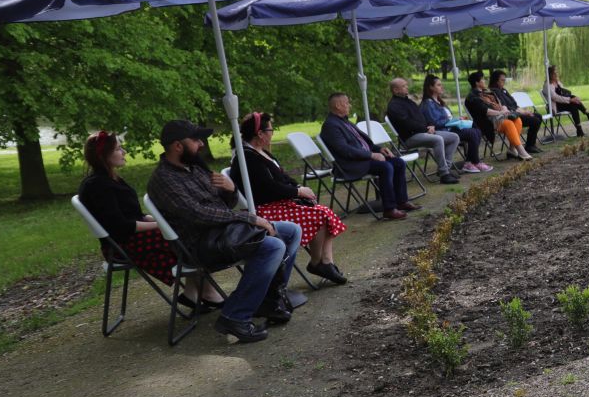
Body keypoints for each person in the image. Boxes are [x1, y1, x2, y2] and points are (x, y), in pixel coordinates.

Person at [147, 119, 302, 343]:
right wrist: (249, 218)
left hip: (222, 233)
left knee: (291, 231)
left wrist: (231, 190)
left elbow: (221, 207)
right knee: (272, 246)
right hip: (200, 245)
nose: (201, 144)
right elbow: (199, 214)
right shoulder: (164, 180)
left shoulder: (194, 168)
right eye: (196, 140)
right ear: (177, 146)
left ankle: (268, 301)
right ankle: (235, 316)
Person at [77, 130, 220, 310]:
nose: (124, 152)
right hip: (121, 244)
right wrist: (161, 225)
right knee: (185, 238)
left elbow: (134, 214)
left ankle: (193, 293)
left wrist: (163, 220)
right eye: (118, 149)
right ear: (103, 155)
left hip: (131, 236)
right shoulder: (98, 186)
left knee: (185, 231)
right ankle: (205, 293)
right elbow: (120, 226)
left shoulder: (112, 179)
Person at [231, 111, 348, 285]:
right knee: (319, 215)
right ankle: (318, 263)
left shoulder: (261, 153)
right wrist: (298, 193)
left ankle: (326, 261)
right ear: (260, 134)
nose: (272, 133)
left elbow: (282, 177)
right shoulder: (247, 157)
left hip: (278, 203)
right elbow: (268, 188)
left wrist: (298, 187)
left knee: (325, 213)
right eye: (270, 130)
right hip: (263, 209)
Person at [320, 92, 416, 219]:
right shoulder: (331, 125)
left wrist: (380, 149)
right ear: (338, 105)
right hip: (350, 165)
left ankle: (402, 201)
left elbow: (363, 144)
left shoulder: (345, 121)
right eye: (347, 102)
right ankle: (389, 209)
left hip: (362, 159)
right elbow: (345, 150)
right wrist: (371, 155)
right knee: (386, 167)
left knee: (398, 162)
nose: (350, 105)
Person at [385, 77, 462, 184]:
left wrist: (430, 125)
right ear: (395, 90)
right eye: (403, 86)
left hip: (422, 132)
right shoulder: (394, 106)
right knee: (438, 139)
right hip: (409, 138)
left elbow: (421, 117)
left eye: (406, 85)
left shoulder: (408, 101)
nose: (407, 87)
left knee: (454, 137)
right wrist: (425, 128)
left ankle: (445, 169)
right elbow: (407, 124)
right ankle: (444, 175)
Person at [422, 74, 490, 171]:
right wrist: (452, 121)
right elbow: (434, 123)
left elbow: (446, 118)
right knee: (472, 133)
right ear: (431, 87)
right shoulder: (428, 104)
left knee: (476, 129)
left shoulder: (439, 102)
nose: (442, 87)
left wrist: (457, 119)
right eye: (438, 85)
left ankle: (470, 162)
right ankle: (474, 162)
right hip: (443, 131)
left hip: (451, 128)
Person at [465, 70, 534, 161]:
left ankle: (512, 149)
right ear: (477, 83)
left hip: (498, 118)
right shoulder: (472, 97)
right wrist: (500, 112)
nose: (485, 81)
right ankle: (521, 150)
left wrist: (504, 108)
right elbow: (486, 111)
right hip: (487, 122)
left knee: (517, 120)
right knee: (508, 123)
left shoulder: (487, 92)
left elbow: (499, 103)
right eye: (482, 79)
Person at [489, 69, 542, 150]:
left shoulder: (503, 90)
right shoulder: (494, 92)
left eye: (504, 80)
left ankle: (531, 144)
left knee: (538, 116)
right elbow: (506, 108)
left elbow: (514, 104)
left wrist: (524, 111)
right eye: (502, 80)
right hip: (509, 116)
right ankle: (530, 146)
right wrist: (524, 113)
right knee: (535, 120)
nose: (504, 82)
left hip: (515, 112)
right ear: (496, 81)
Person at [544, 65, 589, 137]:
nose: (556, 74)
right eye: (554, 73)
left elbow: (563, 93)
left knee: (574, 105)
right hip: (556, 106)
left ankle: (580, 130)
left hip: (564, 103)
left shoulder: (558, 83)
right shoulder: (547, 86)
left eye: (557, 72)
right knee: (573, 102)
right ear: (550, 75)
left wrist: (573, 99)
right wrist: (570, 99)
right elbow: (556, 97)